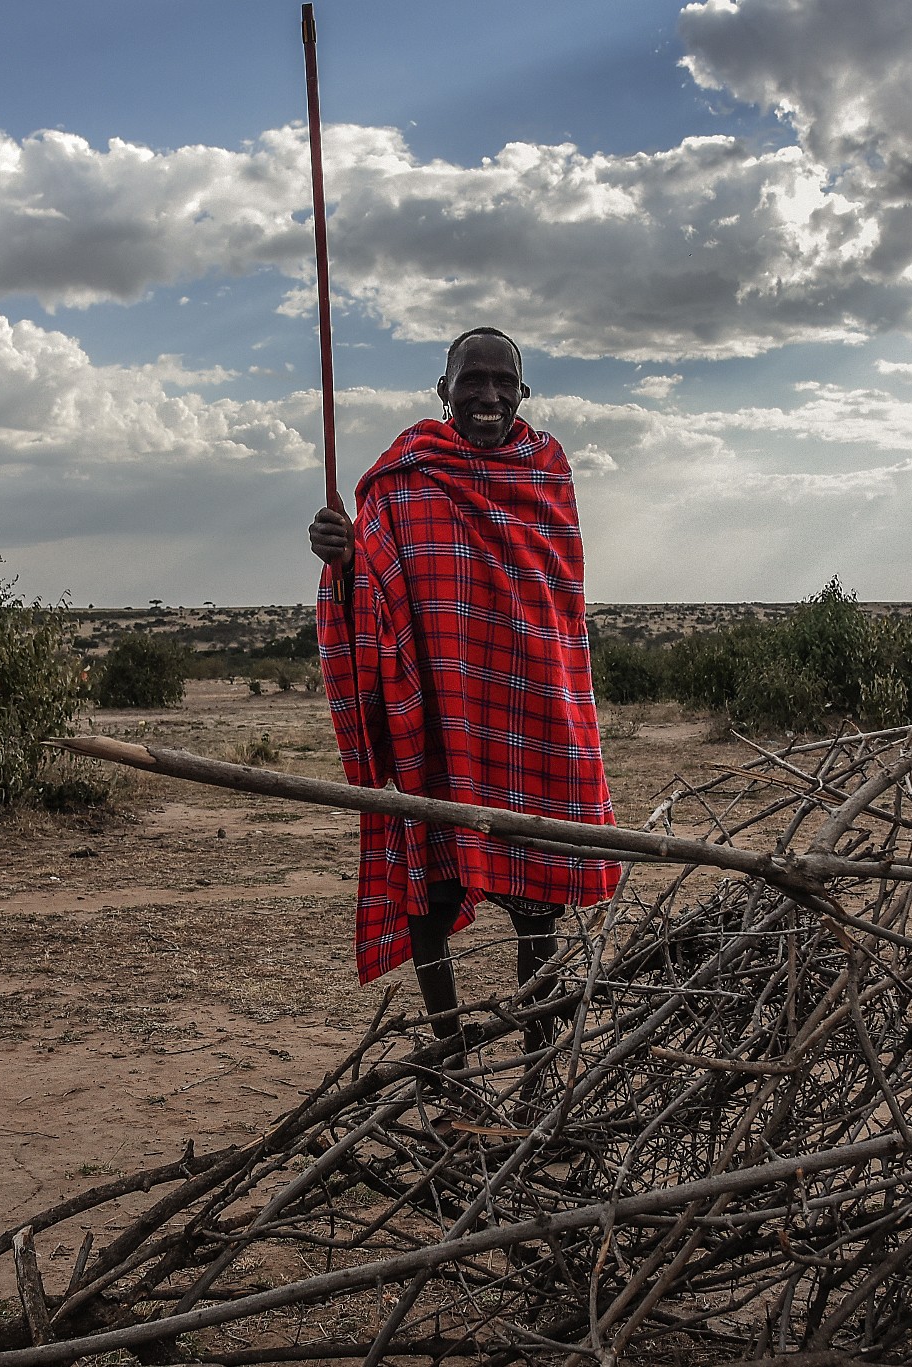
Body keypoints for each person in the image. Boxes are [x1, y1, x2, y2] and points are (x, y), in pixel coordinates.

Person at [308, 327, 620, 1067]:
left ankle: (543, 1074)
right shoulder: (406, 476)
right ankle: (450, 1057)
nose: (487, 395)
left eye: (502, 382)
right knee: (431, 895)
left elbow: (561, 603)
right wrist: (346, 559)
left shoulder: (546, 471)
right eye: (471, 381)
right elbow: (378, 579)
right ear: (442, 390)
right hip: (441, 716)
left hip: (535, 709)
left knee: (538, 907)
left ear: (524, 391)